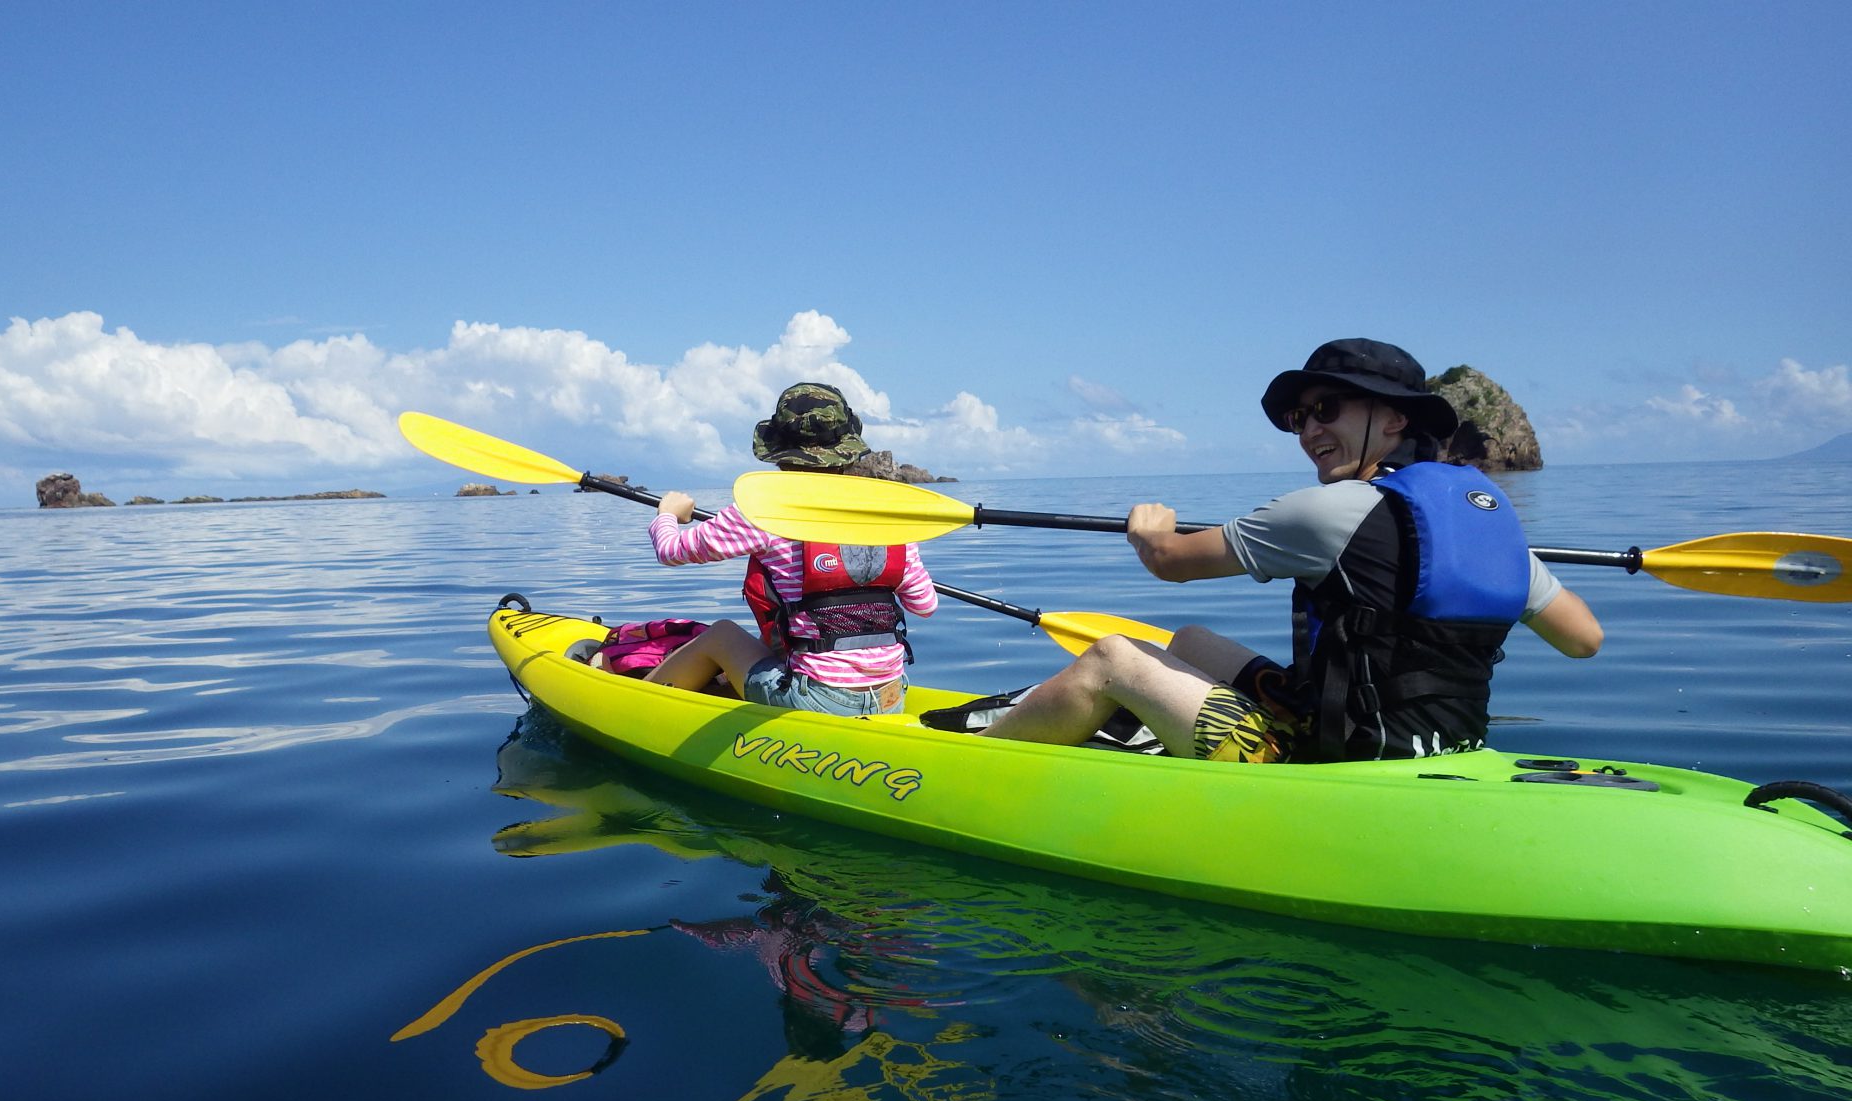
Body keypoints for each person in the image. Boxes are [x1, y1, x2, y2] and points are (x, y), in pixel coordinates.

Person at [984, 338, 1603, 762]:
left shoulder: (1325, 511)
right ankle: (1131, 730)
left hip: (1331, 758)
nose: (1308, 431)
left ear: (1393, 419)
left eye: (1326, 409)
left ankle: (984, 756)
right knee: (1191, 641)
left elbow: (1170, 562)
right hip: (1443, 745)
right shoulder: (1488, 525)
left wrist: (1150, 528)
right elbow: (1584, 639)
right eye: (1299, 418)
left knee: (1113, 657)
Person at [641, 382, 938, 715]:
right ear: (846, 449)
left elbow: (671, 550)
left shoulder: (763, 512)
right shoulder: (887, 517)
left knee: (721, 634)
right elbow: (925, 605)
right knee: (780, 639)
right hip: (891, 696)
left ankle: (639, 708)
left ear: (780, 453)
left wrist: (668, 514)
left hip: (816, 700)